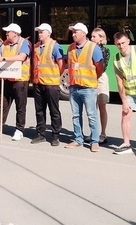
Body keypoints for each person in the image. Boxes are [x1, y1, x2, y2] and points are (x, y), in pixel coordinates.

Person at [65, 23, 104, 152]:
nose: (73, 34)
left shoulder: (93, 48)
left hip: (88, 87)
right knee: (76, 115)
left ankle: (94, 141)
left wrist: (92, 78)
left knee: (91, 115)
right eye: (73, 32)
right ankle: (78, 139)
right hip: (74, 86)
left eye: (76, 32)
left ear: (83, 33)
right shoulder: (70, 48)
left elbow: (100, 66)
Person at [0, 23, 30, 141]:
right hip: (6, 79)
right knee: (2, 105)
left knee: (20, 106)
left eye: (9, 32)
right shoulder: (4, 44)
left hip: (20, 80)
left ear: (15, 33)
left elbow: (21, 57)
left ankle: (19, 130)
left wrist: (3, 59)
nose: (7, 33)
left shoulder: (24, 43)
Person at [32, 23, 63, 146]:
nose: (39, 34)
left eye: (41, 32)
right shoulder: (36, 46)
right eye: (38, 32)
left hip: (51, 84)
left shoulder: (55, 46)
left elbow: (61, 64)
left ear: (48, 33)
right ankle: (41, 134)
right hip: (38, 83)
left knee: (54, 111)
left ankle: (55, 135)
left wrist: (54, 76)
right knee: (39, 110)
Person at [91, 27, 110, 144]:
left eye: (94, 36)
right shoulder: (88, 48)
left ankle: (103, 133)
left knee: (102, 107)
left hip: (100, 78)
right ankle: (93, 133)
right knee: (92, 108)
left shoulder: (105, 50)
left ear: (101, 38)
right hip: (90, 79)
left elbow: (102, 66)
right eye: (91, 36)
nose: (91, 38)